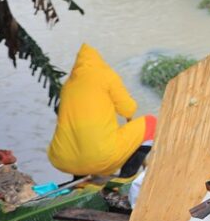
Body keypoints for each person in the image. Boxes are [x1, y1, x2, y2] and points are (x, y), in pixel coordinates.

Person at [48, 44, 156, 178]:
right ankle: (126, 177)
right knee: (151, 123)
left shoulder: (67, 85)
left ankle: (80, 179)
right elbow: (128, 110)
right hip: (100, 156)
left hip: (62, 159)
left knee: (80, 139)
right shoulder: (106, 76)